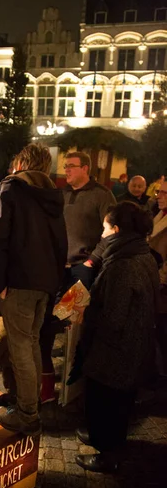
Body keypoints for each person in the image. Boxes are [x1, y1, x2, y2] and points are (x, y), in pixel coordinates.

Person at [0, 143, 67, 435]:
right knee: (30, 343)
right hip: (44, 283)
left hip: (17, 282)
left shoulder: (9, 188)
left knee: (21, 347)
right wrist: (53, 284)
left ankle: (27, 414)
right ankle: (25, 401)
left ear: (20, 162)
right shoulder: (53, 195)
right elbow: (61, 243)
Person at [75, 202, 159, 472]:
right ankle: (104, 438)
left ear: (117, 230)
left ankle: (107, 453)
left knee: (107, 403)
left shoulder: (122, 266)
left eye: (105, 229)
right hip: (133, 346)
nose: (101, 235)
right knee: (117, 403)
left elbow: (113, 318)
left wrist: (85, 315)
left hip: (117, 351)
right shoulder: (141, 253)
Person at [39, 150, 116, 404]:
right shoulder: (61, 195)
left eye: (71, 166)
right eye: (65, 166)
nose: (66, 170)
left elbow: (111, 233)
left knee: (74, 329)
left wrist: (92, 261)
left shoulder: (102, 195)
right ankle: (48, 386)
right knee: (48, 326)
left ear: (85, 168)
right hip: (57, 270)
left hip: (82, 272)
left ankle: (74, 393)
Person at [149, 178, 167, 375]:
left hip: (162, 288)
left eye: (164, 193)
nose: (159, 196)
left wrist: (160, 280)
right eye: (158, 192)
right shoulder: (160, 214)